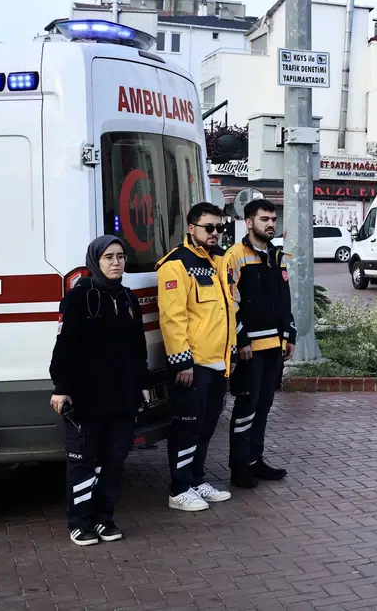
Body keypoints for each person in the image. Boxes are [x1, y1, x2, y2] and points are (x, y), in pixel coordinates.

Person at [49, 236, 149, 546]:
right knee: (84, 461)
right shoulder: (79, 298)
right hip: (86, 398)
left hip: (122, 397)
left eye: (120, 257)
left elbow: (138, 348)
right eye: (109, 257)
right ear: (96, 261)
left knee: (114, 460)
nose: (116, 262)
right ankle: (80, 522)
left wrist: (142, 384)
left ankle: (104, 519)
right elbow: (64, 346)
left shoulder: (128, 300)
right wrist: (61, 388)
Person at [159, 202, 237, 512]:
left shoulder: (219, 261)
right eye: (209, 228)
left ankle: (195, 479)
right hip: (194, 364)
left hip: (219, 362)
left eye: (220, 228)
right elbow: (172, 317)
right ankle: (179, 488)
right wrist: (182, 362)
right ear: (191, 228)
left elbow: (228, 309)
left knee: (206, 426)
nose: (216, 233)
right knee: (186, 427)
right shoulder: (176, 264)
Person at [224, 199, 295, 490]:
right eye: (264, 218)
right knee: (246, 407)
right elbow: (231, 303)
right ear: (248, 222)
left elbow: (284, 297)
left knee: (264, 406)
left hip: (274, 348)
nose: (270, 224)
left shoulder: (277, 255)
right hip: (250, 349)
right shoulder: (234, 257)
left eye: (273, 219)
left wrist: (290, 334)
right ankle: (239, 466)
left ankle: (256, 459)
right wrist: (240, 340)